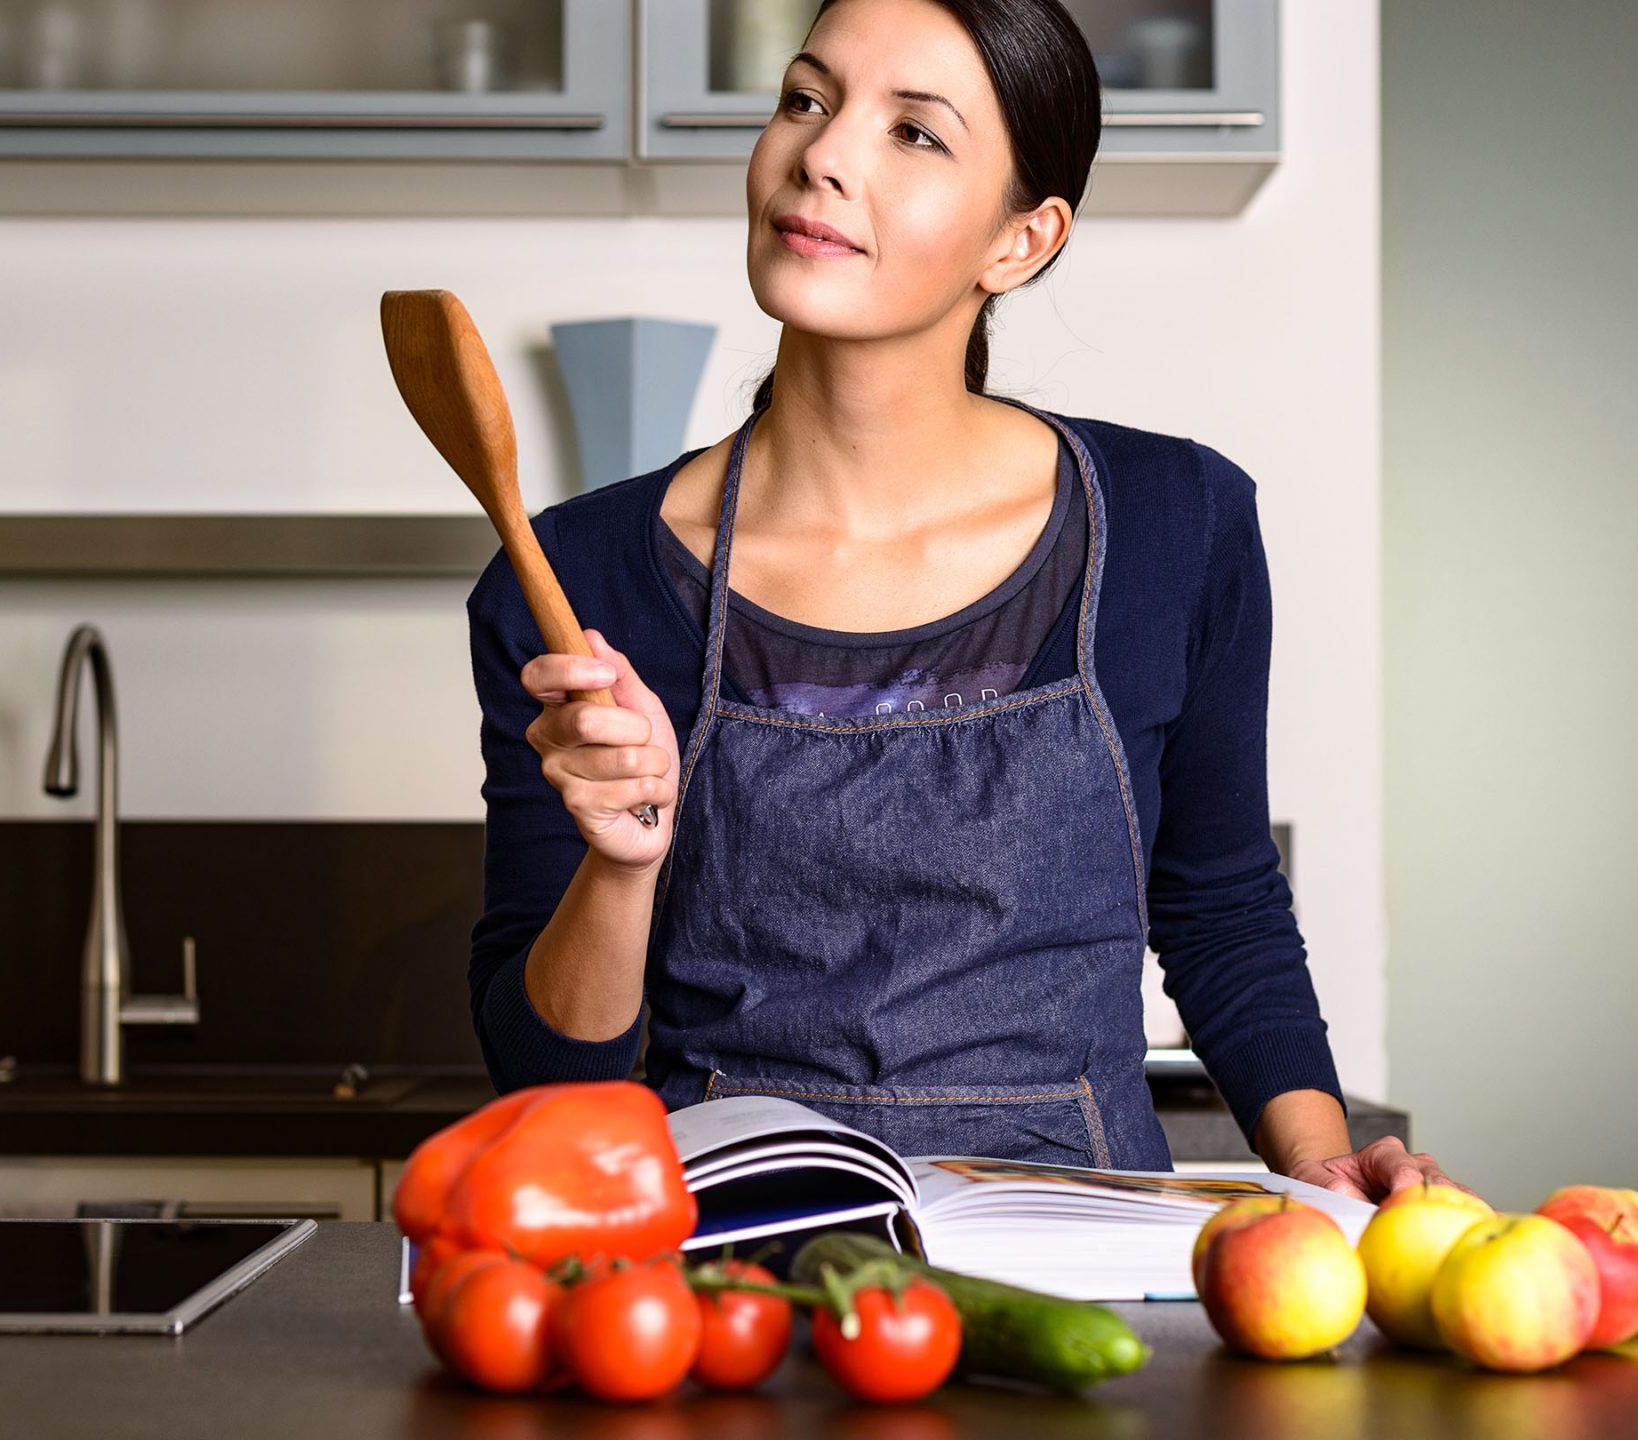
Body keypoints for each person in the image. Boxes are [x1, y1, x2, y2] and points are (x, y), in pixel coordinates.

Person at [463, 0, 1466, 1204]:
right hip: (732, 1270)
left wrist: (1319, 1158)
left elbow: (1219, 905)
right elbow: (544, 1080)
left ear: (1021, 242)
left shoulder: (1172, 523)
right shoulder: (576, 581)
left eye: (915, 134)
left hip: (1082, 1264)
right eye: (806, 99)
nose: (822, 154)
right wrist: (618, 867)